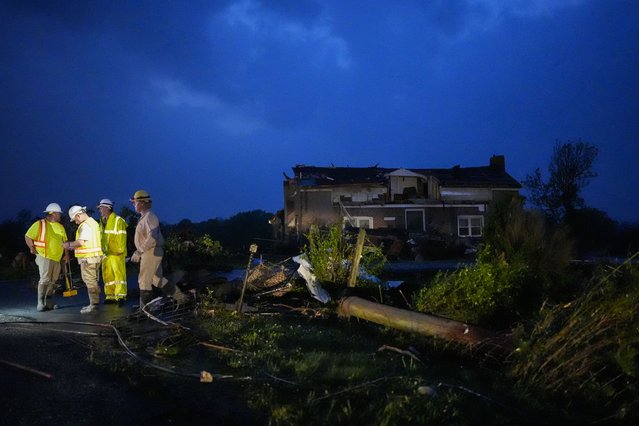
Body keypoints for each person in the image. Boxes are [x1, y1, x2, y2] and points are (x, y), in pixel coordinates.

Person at [129, 190, 186, 308]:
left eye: (135, 202)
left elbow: (152, 237)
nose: (134, 204)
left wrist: (140, 251)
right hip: (150, 251)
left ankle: (144, 309)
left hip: (151, 251)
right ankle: (181, 298)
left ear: (142, 203)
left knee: (144, 280)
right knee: (156, 279)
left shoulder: (150, 217)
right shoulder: (144, 218)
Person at [24, 203, 70, 311]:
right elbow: (28, 236)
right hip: (44, 256)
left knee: (53, 281)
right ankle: (40, 303)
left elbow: (65, 241)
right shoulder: (40, 224)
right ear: (53, 213)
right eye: (59, 213)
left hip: (57, 258)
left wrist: (66, 255)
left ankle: (48, 302)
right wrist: (32, 248)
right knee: (45, 279)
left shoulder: (60, 226)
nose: (60, 216)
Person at [64, 205, 103, 314]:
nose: (75, 222)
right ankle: (95, 302)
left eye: (74, 219)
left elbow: (81, 242)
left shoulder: (85, 225)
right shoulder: (94, 223)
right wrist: (73, 246)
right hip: (94, 257)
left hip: (88, 259)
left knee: (90, 281)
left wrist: (67, 245)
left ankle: (93, 305)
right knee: (93, 281)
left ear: (78, 215)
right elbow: (88, 242)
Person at [97, 198, 128, 305]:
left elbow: (122, 235)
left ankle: (121, 296)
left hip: (116, 253)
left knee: (119, 275)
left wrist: (119, 250)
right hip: (106, 254)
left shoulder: (118, 220)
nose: (100, 210)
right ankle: (110, 295)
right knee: (108, 275)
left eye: (101, 208)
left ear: (108, 208)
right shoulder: (102, 222)